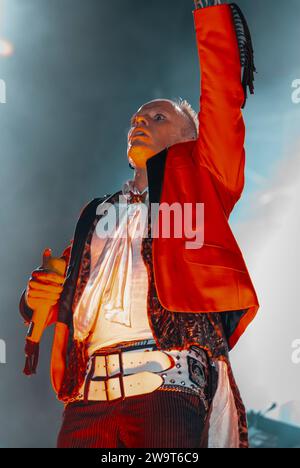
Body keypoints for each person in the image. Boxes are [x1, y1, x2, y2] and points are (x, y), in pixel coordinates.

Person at [19, 0, 259, 448]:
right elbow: (61, 289)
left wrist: (213, 20)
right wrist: (39, 297)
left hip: (165, 389)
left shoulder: (205, 183)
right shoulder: (97, 212)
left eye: (158, 117)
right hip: (87, 399)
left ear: (193, 137)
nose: (140, 122)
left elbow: (224, 101)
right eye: (136, 118)